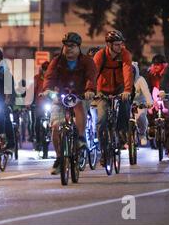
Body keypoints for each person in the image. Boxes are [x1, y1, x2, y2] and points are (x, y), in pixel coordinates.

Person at [42, 33, 97, 174]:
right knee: (55, 126)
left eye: (72, 46)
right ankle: (60, 158)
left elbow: (91, 77)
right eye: (66, 46)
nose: (69, 49)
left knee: (79, 106)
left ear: (79, 48)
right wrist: (47, 89)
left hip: (80, 95)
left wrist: (90, 90)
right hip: (61, 96)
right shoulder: (57, 61)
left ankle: (80, 138)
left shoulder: (87, 61)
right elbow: (49, 77)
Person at [93, 30, 133, 165]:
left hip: (120, 89)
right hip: (102, 91)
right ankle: (104, 152)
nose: (120, 47)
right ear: (109, 45)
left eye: (121, 44)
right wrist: (90, 90)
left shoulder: (125, 54)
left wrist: (127, 90)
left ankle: (122, 132)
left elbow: (127, 71)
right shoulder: (100, 56)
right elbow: (93, 74)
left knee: (125, 105)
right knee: (101, 120)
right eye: (116, 44)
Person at [147, 54, 169, 148]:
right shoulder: (150, 73)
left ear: (163, 65)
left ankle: (168, 140)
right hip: (154, 94)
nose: (156, 66)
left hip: (166, 95)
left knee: (168, 116)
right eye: (154, 64)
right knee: (150, 113)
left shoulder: (168, 72)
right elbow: (148, 86)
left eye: (158, 64)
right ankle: (151, 135)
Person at [130, 62, 153, 146]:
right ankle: (125, 138)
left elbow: (146, 92)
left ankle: (142, 134)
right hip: (128, 103)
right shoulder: (123, 80)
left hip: (140, 103)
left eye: (132, 72)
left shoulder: (140, 80)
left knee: (141, 117)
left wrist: (149, 102)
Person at [31, 61, 49, 148]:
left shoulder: (52, 78)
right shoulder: (36, 78)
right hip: (39, 104)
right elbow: (33, 91)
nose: (46, 71)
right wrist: (31, 101)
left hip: (50, 103)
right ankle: (38, 140)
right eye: (44, 69)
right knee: (37, 121)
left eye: (47, 69)